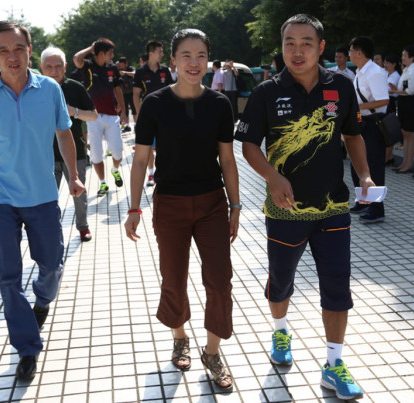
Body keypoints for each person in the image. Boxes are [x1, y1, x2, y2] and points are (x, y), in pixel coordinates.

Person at [236, 14, 373, 401]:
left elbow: (353, 134)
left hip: (333, 207)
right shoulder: (266, 92)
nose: (297, 51)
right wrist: (272, 178)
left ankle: (334, 364)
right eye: (290, 43)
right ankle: (281, 332)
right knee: (281, 281)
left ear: (321, 47)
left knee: (337, 286)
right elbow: (248, 145)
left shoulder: (341, 86)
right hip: (285, 211)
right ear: (282, 47)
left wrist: (364, 176)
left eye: (306, 43)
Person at [0, 21, 85, 381]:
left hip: (42, 195)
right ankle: (27, 348)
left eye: (19, 48)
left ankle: (42, 301)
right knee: (8, 277)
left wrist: (73, 175)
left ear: (29, 50)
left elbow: (64, 134)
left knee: (52, 265)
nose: (12, 56)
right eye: (4, 50)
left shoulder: (50, 89)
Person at [124, 28, 239, 392]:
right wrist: (133, 208)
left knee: (219, 279)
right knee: (173, 278)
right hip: (170, 204)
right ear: (172, 60)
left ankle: (212, 352)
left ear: (208, 60)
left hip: (211, 203)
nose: (194, 62)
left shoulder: (219, 104)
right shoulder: (155, 104)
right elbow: (140, 160)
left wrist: (236, 205)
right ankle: (179, 336)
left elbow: (227, 159)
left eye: (201, 55)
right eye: (186, 55)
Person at [40, 46, 98, 242]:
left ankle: (83, 227)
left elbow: (93, 115)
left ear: (65, 66)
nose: (54, 71)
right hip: (45, 154)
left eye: (58, 66)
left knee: (79, 194)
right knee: (47, 198)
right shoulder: (34, 89)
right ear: (41, 67)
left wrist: (74, 112)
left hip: (75, 153)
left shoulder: (75, 87)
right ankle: (51, 230)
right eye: (49, 67)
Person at [73, 38, 125, 197]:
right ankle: (103, 183)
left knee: (117, 151)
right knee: (96, 154)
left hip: (111, 117)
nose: (112, 56)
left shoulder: (112, 68)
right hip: (93, 117)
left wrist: (123, 109)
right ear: (101, 54)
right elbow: (76, 59)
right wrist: (91, 48)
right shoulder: (88, 66)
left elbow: (118, 89)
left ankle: (115, 170)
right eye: (110, 53)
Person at [348, 36, 389, 223]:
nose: (349, 54)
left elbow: (384, 100)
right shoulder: (360, 71)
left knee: (373, 167)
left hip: (373, 123)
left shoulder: (374, 72)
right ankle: (363, 201)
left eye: (351, 50)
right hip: (361, 122)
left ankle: (377, 209)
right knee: (356, 164)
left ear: (359, 52)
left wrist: (357, 107)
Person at [133, 40, 173, 187]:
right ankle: (151, 173)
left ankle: (165, 172)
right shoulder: (140, 72)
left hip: (166, 114)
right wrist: (138, 114)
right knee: (148, 145)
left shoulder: (165, 70)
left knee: (166, 144)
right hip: (148, 114)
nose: (162, 54)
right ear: (151, 53)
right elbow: (136, 94)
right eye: (160, 51)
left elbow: (172, 90)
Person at [389, 46, 414, 173]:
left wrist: (394, 91)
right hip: (403, 101)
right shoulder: (406, 70)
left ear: (412, 57)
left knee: (410, 133)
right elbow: (403, 88)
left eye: (405, 55)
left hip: (410, 102)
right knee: (404, 132)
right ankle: (404, 162)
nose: (402, 58)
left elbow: (411, 90)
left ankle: (409, 163)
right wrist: (396, 90)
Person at [383, 54, 401, 166]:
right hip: (385, 103)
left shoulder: (396, 75)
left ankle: (388, 157)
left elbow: (392, 90)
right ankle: (387, 156)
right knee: (384, 131)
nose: (385, 65)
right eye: (385, 62)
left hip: (391, 103)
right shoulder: (385, 74)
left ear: (394, 64)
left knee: (388, 130)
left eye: (388, 63)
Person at [117, 56, 136, 133]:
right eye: (120, 65)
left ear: (126, 63)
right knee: (125, 110)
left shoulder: (130, 69)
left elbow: (134, 73)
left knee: (134, 110)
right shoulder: (119, 71)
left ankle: (136, 124)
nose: (121, 66)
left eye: (123, 65)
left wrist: (125, 73)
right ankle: (127, 126)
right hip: (123, 93)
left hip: (132, 92)